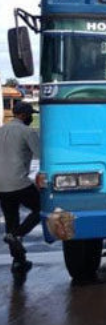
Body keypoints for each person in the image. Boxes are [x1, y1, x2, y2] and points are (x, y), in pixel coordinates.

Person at [0, 103, 41, 274]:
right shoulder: (27, 132)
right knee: (41, 208)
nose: (32, 117)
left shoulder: (1, 130)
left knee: (11, 220)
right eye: (30, 114)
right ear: (23, 115)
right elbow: (41, 154)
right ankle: (17, 234)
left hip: (2, 185)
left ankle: (18, 261)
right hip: (19, 182)